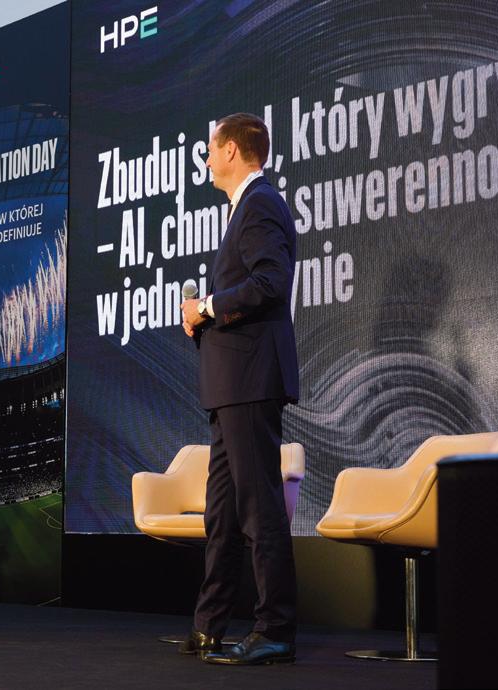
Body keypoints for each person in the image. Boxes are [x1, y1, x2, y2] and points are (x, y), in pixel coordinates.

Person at [179, 113, 300, 665]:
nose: (206, 159)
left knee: (258, 506)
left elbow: (270, 282)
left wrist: (206, 307)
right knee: (223, 512)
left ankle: (275, 628)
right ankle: (210, 625)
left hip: (250, 378)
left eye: (210, 148)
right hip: (231, 382)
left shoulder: (260, 203)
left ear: (231, 150)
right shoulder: (244, 208)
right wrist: (205, 318)